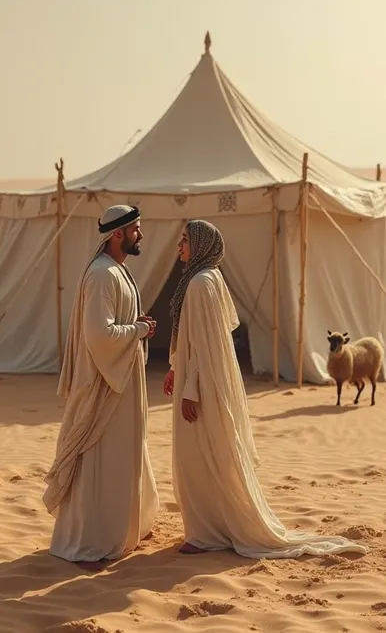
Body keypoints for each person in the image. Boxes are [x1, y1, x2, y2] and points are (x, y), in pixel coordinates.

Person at [163, 219, 368, 560]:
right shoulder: (205, 279)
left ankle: (205, 534)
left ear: (199, 245)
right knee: (205, 452)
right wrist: (175, 368)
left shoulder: (201, 282)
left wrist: (190, 388)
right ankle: (209, 528)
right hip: (201, 378)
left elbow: (202, 343)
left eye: (184, 240)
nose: (179, 247)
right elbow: (192, 338)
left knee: (199, 455)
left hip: (201, 385)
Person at [43, 205, 159, 570]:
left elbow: (113, 324)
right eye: (136, 229)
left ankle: (123, 529)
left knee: (124, 454)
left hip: (123, 383)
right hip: (105, 386)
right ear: (117, 234)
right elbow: (100, 336)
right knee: (102, 458)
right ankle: (92, 537)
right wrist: (140, 330)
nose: (140, 235)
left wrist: (135, 323)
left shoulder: (117, 271)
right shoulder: (101, 276)